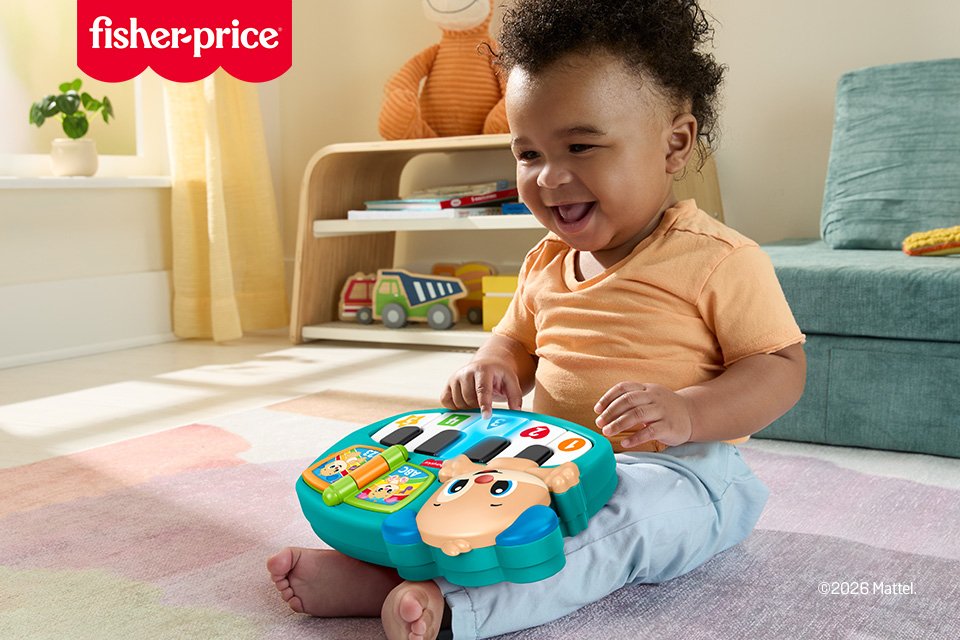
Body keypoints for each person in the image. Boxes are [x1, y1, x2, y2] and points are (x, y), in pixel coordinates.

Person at [267, 1, 806, 638]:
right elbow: (515, 339)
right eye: (527, 154)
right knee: (455, 491)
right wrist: (493, 366)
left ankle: (457, 608)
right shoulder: (545, 263)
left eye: (580, 145)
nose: (550, 176)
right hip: (543, 464)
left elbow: (779, 367)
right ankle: (384, 572)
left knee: (629, 522)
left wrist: (689, 411)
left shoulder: (718, 260)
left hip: (680, 469)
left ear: (675, 143)